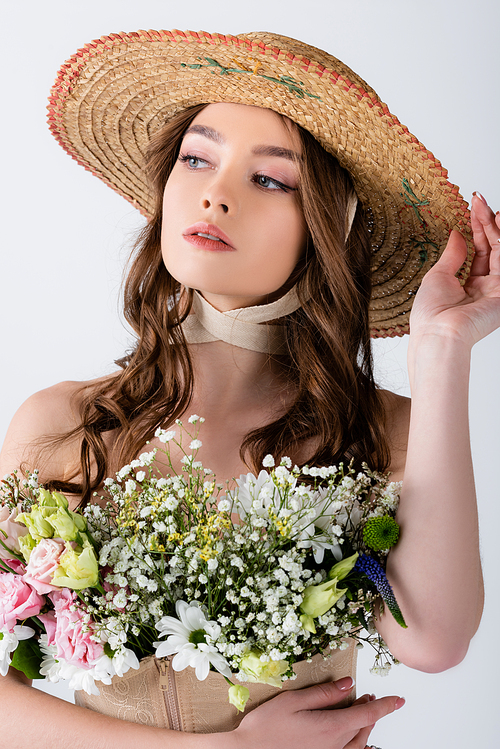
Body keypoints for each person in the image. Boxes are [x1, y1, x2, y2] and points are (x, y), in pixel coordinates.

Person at [0, 28, 498, 749]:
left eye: (269, 178)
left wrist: (445, 350)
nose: (214, 193)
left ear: (328, 225)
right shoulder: (62, 424)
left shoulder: (385, 432)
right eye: (196, 158)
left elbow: (435, 640)